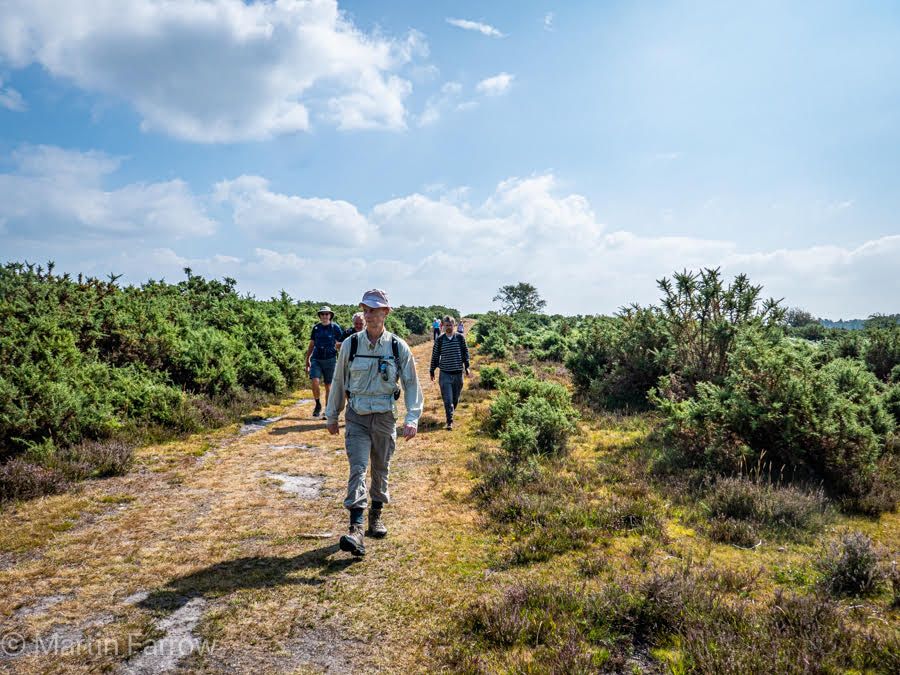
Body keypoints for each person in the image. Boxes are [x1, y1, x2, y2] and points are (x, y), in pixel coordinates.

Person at [325, 289, 423, 557]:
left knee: (381, 467)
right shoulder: (351, 344)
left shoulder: (397, 347)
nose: (369, 315)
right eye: (365, 310)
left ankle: (376, 515)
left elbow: (411, 384)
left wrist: (412, 418)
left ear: (385, 313)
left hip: (384, 417)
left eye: (374, 310)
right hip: (356, 416)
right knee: (358, 468)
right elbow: (338, 381)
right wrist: (332, 414)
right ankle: (355, 528)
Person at [430, 315, 470, 431]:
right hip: (445, 374)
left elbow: (465, 353)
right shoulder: (440, 340)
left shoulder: (460, 338)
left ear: (454, 325)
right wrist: (432, 370)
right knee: (447, 399)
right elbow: (435, 355)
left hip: (458, 373)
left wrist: (467, 366)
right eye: (446, 325)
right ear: (443, 326)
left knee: (455, 398)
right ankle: (450, 421)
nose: (448, 327)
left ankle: (450, 413)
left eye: (450, 325)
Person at [305, 306, 343, 418]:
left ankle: (327, 409)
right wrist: (307, 359)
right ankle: (317, 404)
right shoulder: (316, 328)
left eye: (327, 314)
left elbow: (341, 343)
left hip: (331, 359)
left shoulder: (335, 328)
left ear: (330, 315)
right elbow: (311, 344)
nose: (325, 316)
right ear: (320, 316)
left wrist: (343, 358)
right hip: (316, 358)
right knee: (315, 380)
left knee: (328, 386)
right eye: (322, 314)